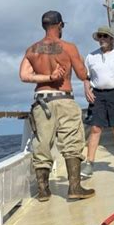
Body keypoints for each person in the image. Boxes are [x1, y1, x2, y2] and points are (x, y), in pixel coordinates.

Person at [19, 10, 95, 201]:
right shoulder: (68, 48)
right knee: (72, 142)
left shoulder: (32, 49)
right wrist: (84, 74)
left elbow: (24, 76)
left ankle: (44, 191)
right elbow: (81, 74)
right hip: (64, 99)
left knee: (42, 144)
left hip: (41, 101)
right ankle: (75, 187)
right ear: (60, 25)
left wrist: (47, 78)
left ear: (44, 26)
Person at [81, 26, 114, 178]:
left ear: (111, 39)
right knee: (96, 128)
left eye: (105, 36)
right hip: (98, 95)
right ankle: (89, 164)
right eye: (100, 36)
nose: (102, 39)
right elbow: (86, 76)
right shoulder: (91, 57)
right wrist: (87, 89)